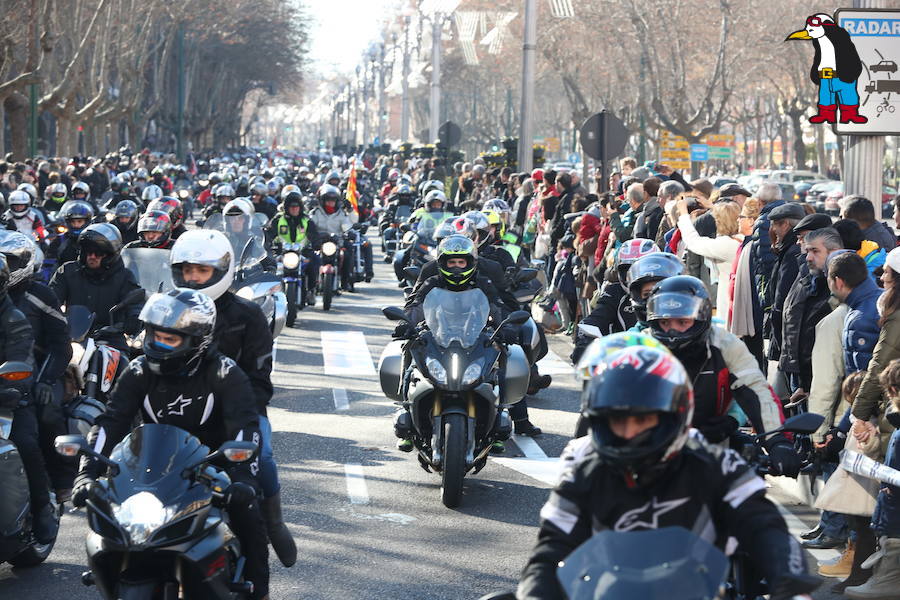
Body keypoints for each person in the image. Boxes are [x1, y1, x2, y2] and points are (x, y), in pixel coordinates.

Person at [517, 345, 819, 600]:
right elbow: (550, 548)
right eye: (617, 421)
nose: (630, 432)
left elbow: (765, 526)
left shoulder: (717, 465)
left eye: (643, 420)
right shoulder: (585, 473)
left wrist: (790, 581)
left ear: (674, 416)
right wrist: (533, 593)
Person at [71, 289, 270, 599]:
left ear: (198, 339)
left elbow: (245, 425)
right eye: (153, 335)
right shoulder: (137, 371)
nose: (157, 345)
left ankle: (258, 592)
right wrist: (88, 469)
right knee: (109, 518)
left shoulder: (224, 373)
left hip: (214, 466)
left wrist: (242, 476)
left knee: (248, 510)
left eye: (170, 339)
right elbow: (112, 421)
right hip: (153, 467)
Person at [169, 230, 296, 567]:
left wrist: (238, 411)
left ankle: (274, 523)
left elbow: (260, 380)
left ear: (220, 271)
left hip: (238, 413)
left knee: (263, 456)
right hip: (178, 411)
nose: (192, 277)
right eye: (186, 270)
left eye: (201, 270)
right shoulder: (166, 308)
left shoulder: (247, 315)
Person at [399, 235, 528, 449]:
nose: (457, 267)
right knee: (411, 356)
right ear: (443, 263)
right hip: (438, 334)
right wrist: (407, 323)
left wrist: (505, 327)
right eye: (452, 262)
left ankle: (502, 416)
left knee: (500, 361)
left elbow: (498, 306)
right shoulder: (432, 280)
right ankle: (405, 411)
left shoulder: (484, 282)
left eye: (461, 262)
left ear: (470, 263)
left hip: (475, 335)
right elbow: (416, 304)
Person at [646, 276, 790, 452]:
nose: (673, 330)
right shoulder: (640, 347)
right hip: (648, 452)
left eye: (682, 321)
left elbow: (756, 388)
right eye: (665, 322)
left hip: (711, 454)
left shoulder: (725, 344)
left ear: (702, 317)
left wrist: (776, 440)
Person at [0, 232, 73, 502]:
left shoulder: (40, 294)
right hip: (6, 373)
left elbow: (61, 345)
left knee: (47, 413)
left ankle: (62, 480)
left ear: (26, 262)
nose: (5, 266)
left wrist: (44, 381)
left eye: (10, 260)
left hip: (41, 369)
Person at [0, 253, 56, 544]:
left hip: (9, 399)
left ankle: (42, 507)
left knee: (24, 444)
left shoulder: (14, 319)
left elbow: (21, 359)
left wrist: (10, 387)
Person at [49, 223, 142, 354]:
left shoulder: (124, 276)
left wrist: (134, 318)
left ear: (110, 254)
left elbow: (135, 301)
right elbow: (51, 300)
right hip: (73, 336)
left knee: (125, 366)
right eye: (88, 252)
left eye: (98, 253)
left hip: (110, 337)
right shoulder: (67, 271)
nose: (92, 256)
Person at [571, 238, 660, 363]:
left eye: (642, 269)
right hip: (624, 362)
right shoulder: (614, 292)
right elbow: (596, 319)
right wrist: (585, 344)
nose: (635, 277)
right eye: (629, 270)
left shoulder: (672, 293)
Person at [675, 198, 742, 317]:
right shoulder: (741, 240)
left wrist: (684, 215)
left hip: (730, 303)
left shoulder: (727, 245)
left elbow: (693, 241)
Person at [309, 184, 363, 289]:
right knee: (309, 258)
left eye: (333, 200)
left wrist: (349, 231)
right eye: (328, 200)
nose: (331, 202)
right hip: (319, 242)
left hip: (337, 242)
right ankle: (311, 285)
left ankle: (345, 281)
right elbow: (309, 225)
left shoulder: (341, 213)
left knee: (347, 254)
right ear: (322, 200)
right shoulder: (315, 213)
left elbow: (349, 224)